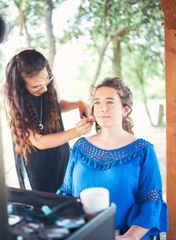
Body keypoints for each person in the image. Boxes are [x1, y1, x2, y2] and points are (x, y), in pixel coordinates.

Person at [57, 77, 168, 240]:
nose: (102, 108)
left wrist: (130, 237)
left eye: (109, 102)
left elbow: (151, 203)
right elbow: (66, 193)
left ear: (125, 110)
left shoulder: (144, 151)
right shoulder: (80, 147)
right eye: (97, 102)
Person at [3, 49, 94, 193]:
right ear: (20, 86)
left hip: (60, 153)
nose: (45, 88)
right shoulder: (15, 103)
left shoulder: (48, 83)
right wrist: (76, 132)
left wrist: (77, 103)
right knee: (47, 205)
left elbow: (55, 105)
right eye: (36, 86)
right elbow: (39, 141)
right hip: (38, 163)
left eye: (46, 80)